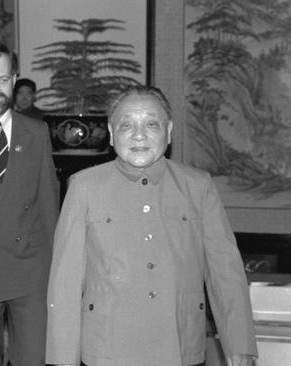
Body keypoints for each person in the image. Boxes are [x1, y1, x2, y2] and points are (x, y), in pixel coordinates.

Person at [45, 86, 257, 366]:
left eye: (151, 124)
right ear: (111, 133)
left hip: (179, 346)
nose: (139, 135)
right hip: (107, 348)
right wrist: (62, 359)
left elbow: (225, 271)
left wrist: (238, 341)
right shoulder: (85, 186)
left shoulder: (197, 186)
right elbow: (65, 282)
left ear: (168, 131)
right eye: (126, 125)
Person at [0, 42, 60, 366]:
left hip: (30, 271)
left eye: (3, 80)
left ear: (15, 78)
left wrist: (58, 271)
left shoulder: (36, 131)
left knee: (35, 358)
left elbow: (48, 205)